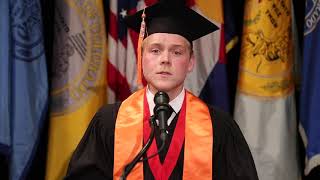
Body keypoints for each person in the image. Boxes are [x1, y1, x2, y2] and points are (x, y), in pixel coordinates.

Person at [65, 1, 259, 179]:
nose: (165, 59)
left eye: (177, 52)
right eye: (155, 50)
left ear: (191, 62)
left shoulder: (219, 127)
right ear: (141, 57)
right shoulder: (109, 122)